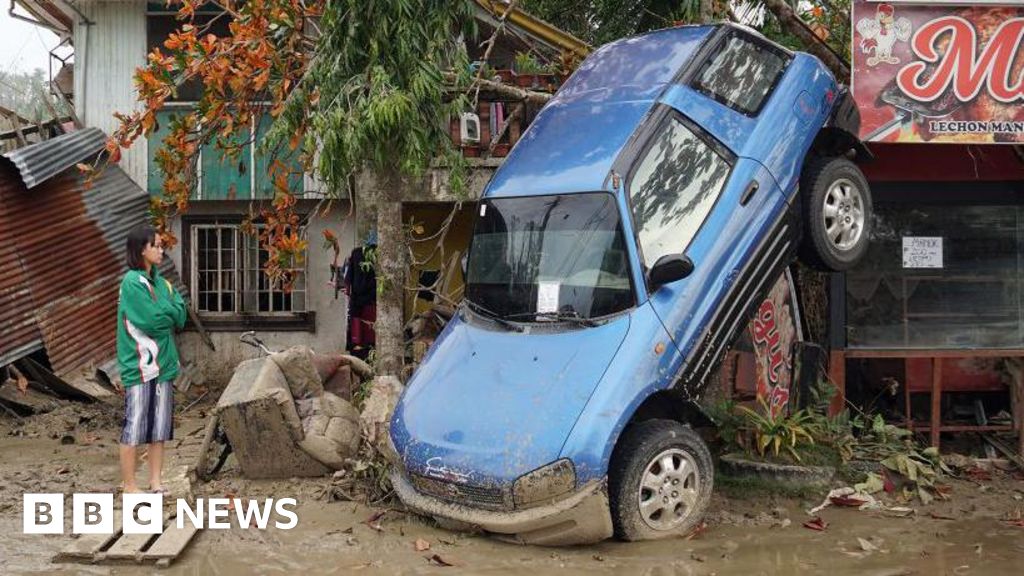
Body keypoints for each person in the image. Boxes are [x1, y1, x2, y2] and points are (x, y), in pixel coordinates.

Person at [116, 225, 186, 493]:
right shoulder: (132, 282)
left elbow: (180, 316)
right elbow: (153, 321)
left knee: (160, 428)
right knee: (135, 425)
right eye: (156, 245)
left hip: (164, 365)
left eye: (160, 245)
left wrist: (165, 309)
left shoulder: (163, 282)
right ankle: (130, 485)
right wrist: (166, 310)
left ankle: (156, 482)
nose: (161, 250)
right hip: (140, 364)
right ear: (141, 250)